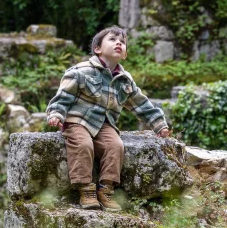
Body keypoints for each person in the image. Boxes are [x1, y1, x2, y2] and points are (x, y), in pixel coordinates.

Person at [46, 26, 169, 211]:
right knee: (83, 145)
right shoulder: (81, 71)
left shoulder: (125, 80)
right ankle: (86, 188)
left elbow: (141, 105)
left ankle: (106, 188)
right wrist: (56, 113)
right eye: (112, 39)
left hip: (105, 124)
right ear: (98, 48)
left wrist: (159, 125)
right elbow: (64, 96)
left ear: (125, 53)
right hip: (78, 120)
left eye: (123, 42)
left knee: (116, 146)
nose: (118, 43)